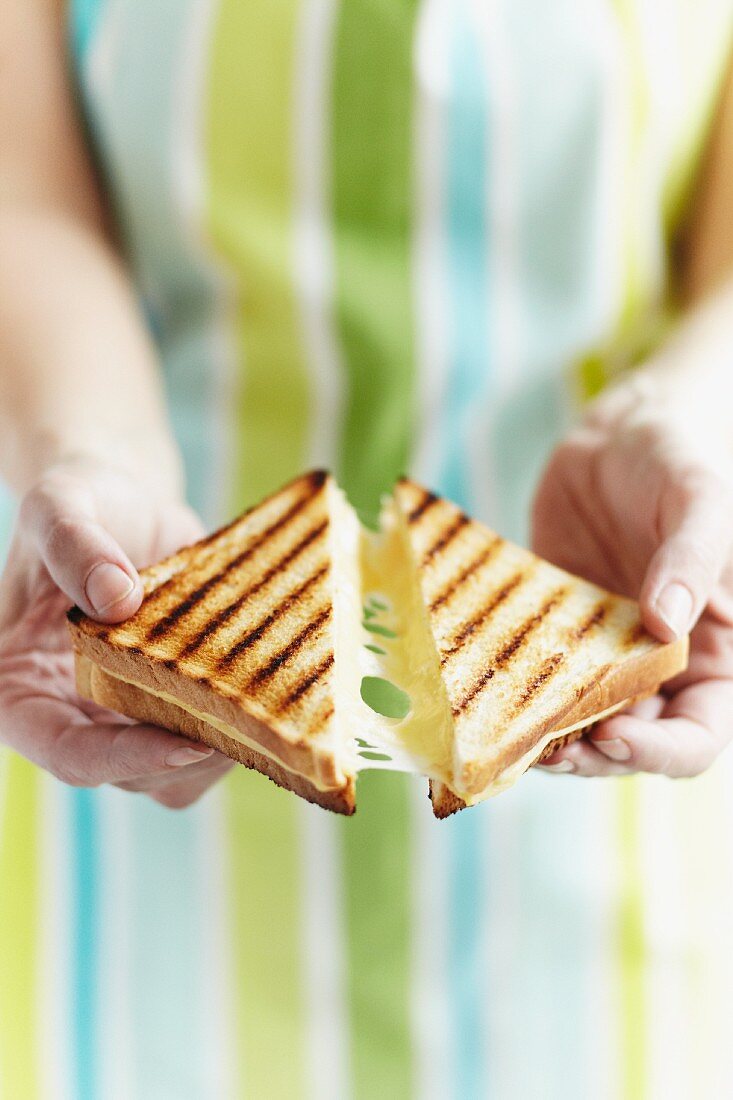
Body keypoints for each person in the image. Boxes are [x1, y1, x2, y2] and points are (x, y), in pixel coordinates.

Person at [1, 1, 733, 1096]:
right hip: (153, 765)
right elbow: (26, 200)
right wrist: (94, 449)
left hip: (596, 784)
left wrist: (685, 419)